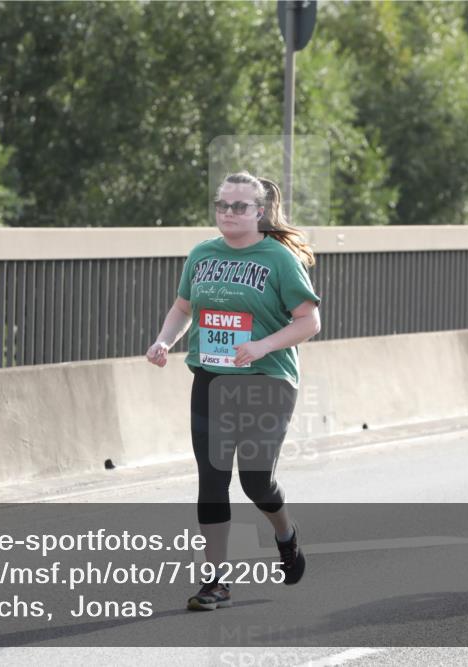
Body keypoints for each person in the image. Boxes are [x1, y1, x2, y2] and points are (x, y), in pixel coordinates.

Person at [146, 170, 321, 611]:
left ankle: (286, 533)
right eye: (222, 204)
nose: (228, 212)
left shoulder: (279, 259)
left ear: (259, 212)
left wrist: (262, 344)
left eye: (239, 206)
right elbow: (183, 307)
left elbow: (309, 320)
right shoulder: (202, 254)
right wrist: (166, 339)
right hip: (212, 378)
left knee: (257, 481)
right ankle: (215, 581)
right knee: (212, 481)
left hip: (268, 380)